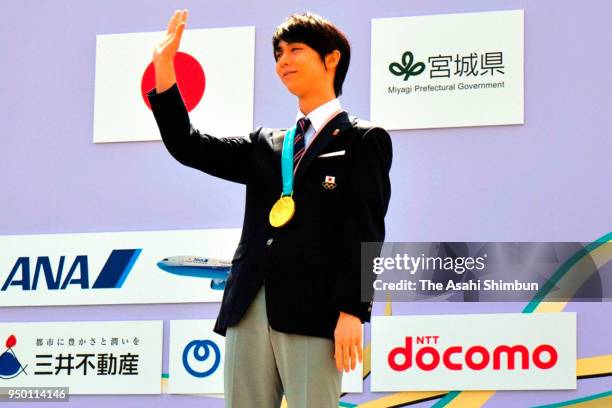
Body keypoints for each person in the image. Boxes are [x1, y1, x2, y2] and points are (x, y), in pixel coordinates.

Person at [148, 9, 392, 408]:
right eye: (279, 52)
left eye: (296, 49)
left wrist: (352, 309)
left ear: (331, 59)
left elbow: (366, 230)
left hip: (316, 308)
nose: (284, 60)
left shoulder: (364, 139)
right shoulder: (267, 143)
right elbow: (188, 146)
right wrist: (164, 70)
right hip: (248, 302)